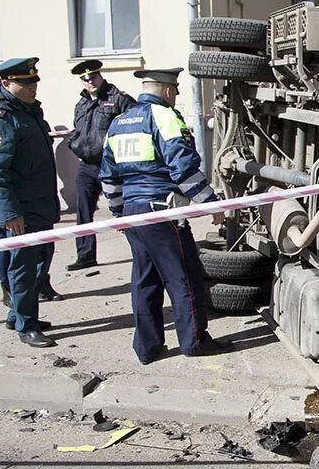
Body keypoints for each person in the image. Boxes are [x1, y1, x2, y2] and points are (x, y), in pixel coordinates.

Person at [100, 68, 232, 364]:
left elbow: (108, 176)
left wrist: (118, 211)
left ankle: (147, 348)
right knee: (183, 278)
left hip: (133, 214)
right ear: (168, 90)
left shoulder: (119, 123)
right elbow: (182, 168)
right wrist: (210, 203)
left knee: (144, 282)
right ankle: (194, 341)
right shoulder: (164, 116)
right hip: (161, 211)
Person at [0, 58, 61, 348]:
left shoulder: (28, 110)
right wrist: (9, 212)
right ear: (6, 84)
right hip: (20, 209)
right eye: (25, 82)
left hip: (39, 204)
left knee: (41, 259)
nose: (32, 87)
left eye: (34, 81)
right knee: (24, 267)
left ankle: (18, 315)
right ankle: (27, 325)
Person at [65, 59, 135, 270]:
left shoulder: (119, 99)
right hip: (87, 165)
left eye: (93, 77)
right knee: (83, 211)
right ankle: (85, 255)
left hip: (111, 165)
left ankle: (142, 250)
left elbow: (135, 123)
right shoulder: (82, 103)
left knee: (124, 208)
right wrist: (74, 144)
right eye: (85, 80)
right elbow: (77, 130)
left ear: (100, 76)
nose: (90, 82)